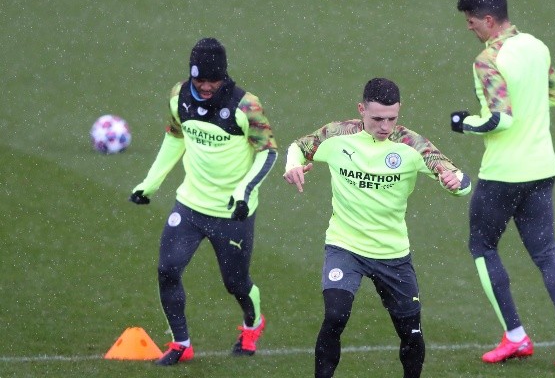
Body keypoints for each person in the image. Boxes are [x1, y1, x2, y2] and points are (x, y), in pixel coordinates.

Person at [283, 77, 471, 378]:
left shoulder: (412, 144)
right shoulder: (337, 135)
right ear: (361, 110)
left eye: (392, 119)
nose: (385, 127)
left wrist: (454, 184)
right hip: (345, 246)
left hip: (392, 253)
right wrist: (292, 165)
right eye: (377, 119)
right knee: (335, 315)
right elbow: (299, 146)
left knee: (410, 333)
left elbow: (460, 180)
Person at [450, 0, 555, 367]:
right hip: (543, 168)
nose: (470, 29)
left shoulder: (487, 60)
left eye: (472, 22)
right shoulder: (537, 47)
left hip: (504, 173)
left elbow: (499, 118)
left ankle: (516, 336)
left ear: (489, 21)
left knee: (482, 247)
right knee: (546, 253)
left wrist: (463, 123)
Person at [129, 37, 278, 366]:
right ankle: (181, 343)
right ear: (191, 75)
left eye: (214, 81)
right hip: (190, 206)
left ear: (224, 76)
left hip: (231, 213)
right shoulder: (178, 96)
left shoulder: (246, 106)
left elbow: (268, 153)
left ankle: (252, 325)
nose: (207, 87)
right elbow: (174, 137)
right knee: (168, 270)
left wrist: (243, 193)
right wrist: (149, 184)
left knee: (236, 284)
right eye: (200, 81)